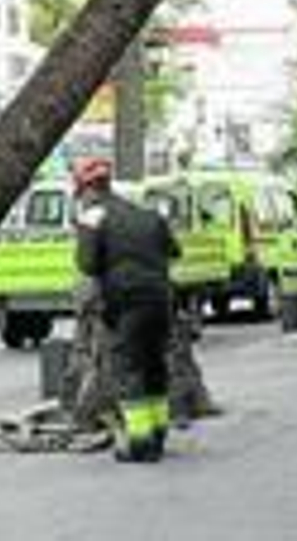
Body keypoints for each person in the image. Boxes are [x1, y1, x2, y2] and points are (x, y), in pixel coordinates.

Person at [71, 155, 181, 464]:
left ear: (85, 189)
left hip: (125, 304)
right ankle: (159, 432)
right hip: (160, 301)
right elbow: (174, 251)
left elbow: (87, 265)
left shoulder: (93, 216)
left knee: (128, 368)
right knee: (154, 365)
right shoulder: (147, 215)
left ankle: (141, 442)